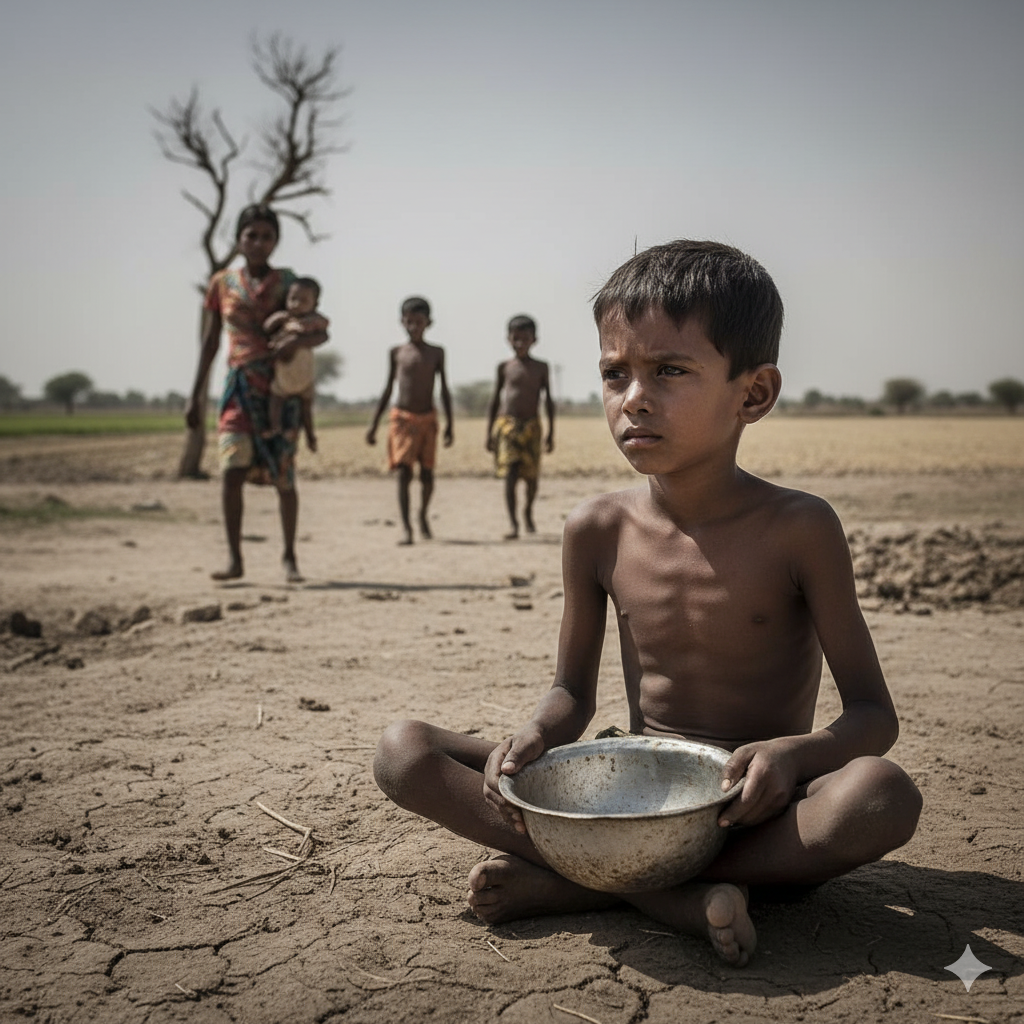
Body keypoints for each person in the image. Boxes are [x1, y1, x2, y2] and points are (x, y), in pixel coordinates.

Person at [373, 240, 922, 967]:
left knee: (881, 796)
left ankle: (587, 888)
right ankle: (672, 895)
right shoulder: (596, 528)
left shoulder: (800, 528)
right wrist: (534, 733)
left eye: (669, 371)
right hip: (626, 796)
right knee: (403, 753)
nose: (634, 396)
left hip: (753, 810)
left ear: (752, 394)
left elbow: (872, 718)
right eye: (615, 373)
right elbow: (571, 693)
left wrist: (794, 758)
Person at [185, 205, 328, 583]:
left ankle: (289, 557)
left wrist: (296, 340)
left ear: (276, 241)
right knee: (231, 469)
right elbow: (211, 341)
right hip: (239, 387)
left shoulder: (289, 282)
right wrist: (195, 393)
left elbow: (318, 328)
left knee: (284, 475)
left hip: (280, 388)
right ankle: (235, 559)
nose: (259, 243)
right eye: (252, 235)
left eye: (267, 236)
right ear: (239, 239)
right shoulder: (222, 284)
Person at [365, 296, 454, 545]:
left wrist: (450, 425)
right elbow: (387, 388)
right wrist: (373, 424)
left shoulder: (436, 353)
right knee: (403, 473)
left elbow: (444, 388)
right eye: (409, 322)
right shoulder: (396, 353)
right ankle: (406, 528)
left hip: (428, 418)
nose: (414, 327)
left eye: (419, 322)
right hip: (401, 419)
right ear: (402, 322)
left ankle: (422, 514)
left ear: (429, 323)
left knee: (427, 474)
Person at [485, 314, 555, 539]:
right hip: (507, 425)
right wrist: (489, 432)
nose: (519, 344)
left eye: (524, 339)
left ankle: (527, 511)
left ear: (534, 340)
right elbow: (495, 399)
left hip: (532, 426)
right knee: (510, 473)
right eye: (515, 339)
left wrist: (551, 432)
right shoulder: (504, 367)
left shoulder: (541, 367)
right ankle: (514, 523)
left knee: (532, 477)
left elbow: (548, 400)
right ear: (508, 339)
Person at [263, 277, 330, 453]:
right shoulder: (285, 320)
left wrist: (297, 340)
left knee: (306, 409)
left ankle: (310, 436)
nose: (297, 304)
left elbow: (324, 334)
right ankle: (275, 426)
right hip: (285, 373)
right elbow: (266, 327)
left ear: (315, 304)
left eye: (304, 301)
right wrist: (277, 318)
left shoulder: (314, 322)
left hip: (304, 374)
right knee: (276, 400)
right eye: (293, 299)